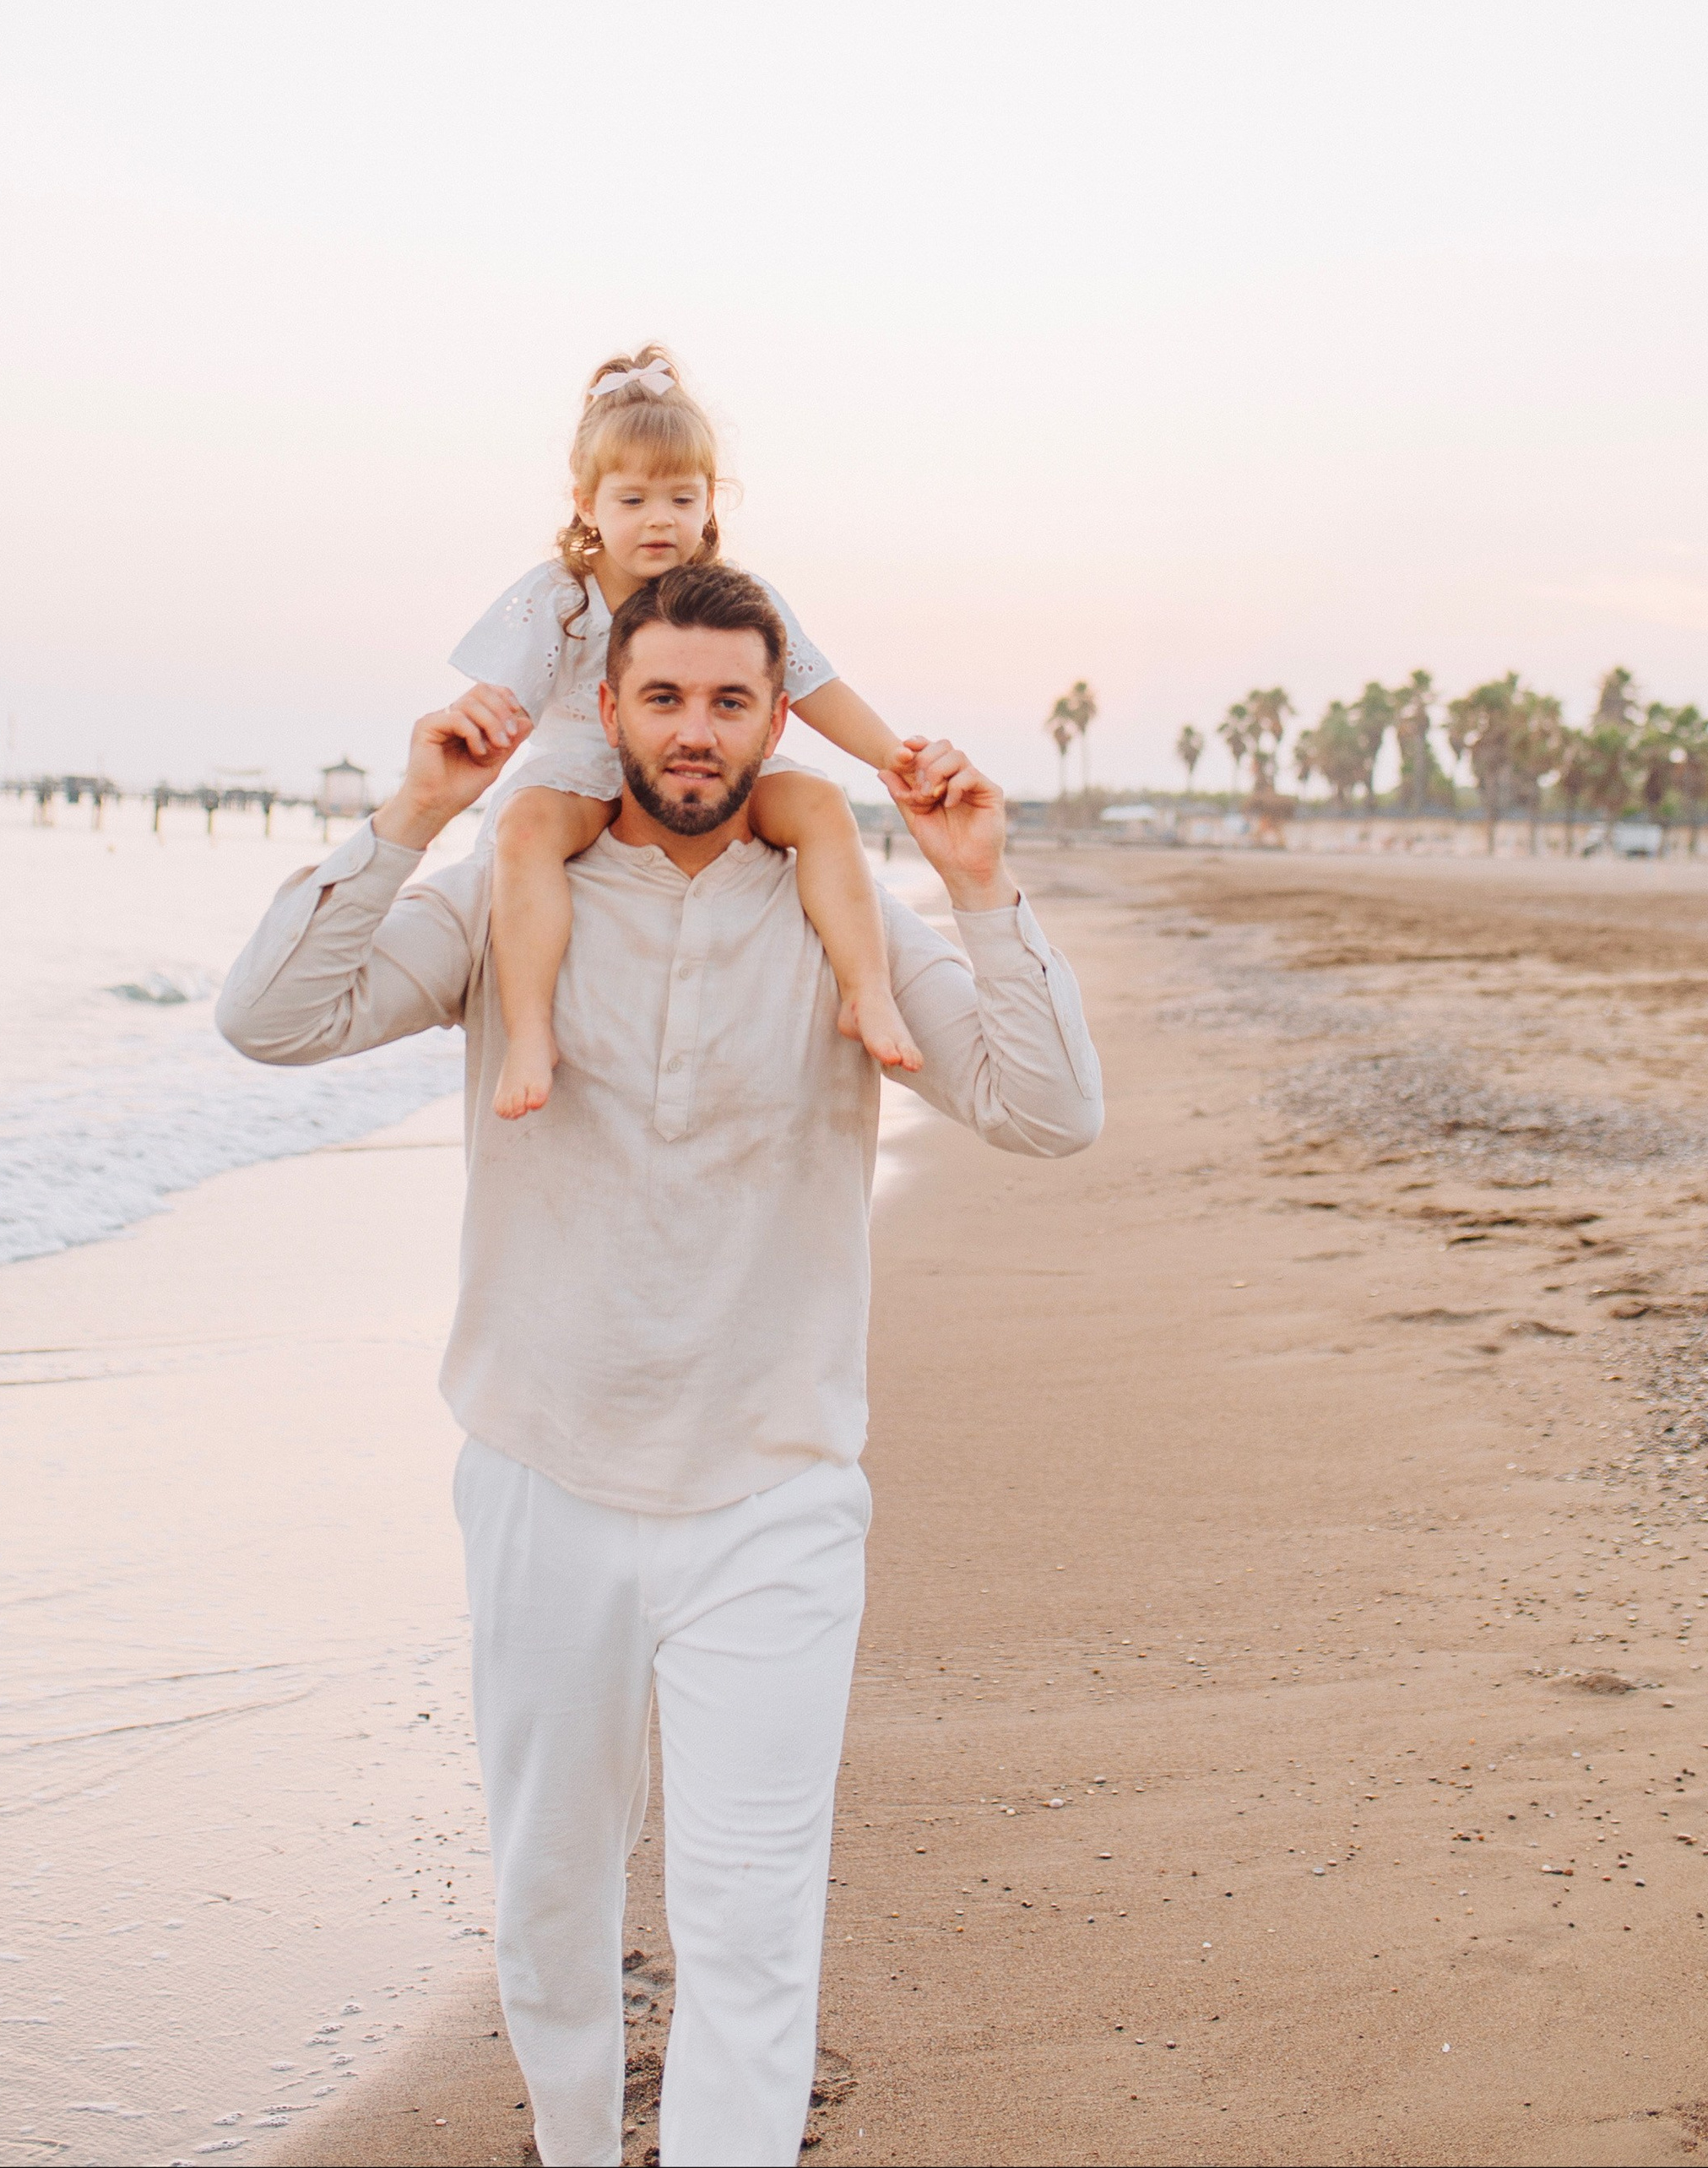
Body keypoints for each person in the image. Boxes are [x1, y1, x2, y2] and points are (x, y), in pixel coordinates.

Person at [216, 561, 1102, 2168]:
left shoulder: (847, 915)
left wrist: (980, 886)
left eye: (733, 702)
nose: (697, 732)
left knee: (752, 1938)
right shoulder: (508, 898)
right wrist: (413, 812)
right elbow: (274, 1019)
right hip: (544, 1479)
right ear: (608, 703)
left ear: (778, 722)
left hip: (773, 1500)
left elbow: (1049, 1112)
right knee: (551, 1909)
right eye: (667, 695)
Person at [449, 344, 923, 1118]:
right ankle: (530, 1031)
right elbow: (498, 699)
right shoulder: (559, 597)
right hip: (582, 771)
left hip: (705, 767)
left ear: (712, 501)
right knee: (527, 826)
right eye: (632, 499)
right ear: (586, 503)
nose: (659, 519)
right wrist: (465, 743)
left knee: (819, 804)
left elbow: (813, 685)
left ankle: (866, 991)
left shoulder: (735, 597)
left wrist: (893, 757)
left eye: (681, 496)